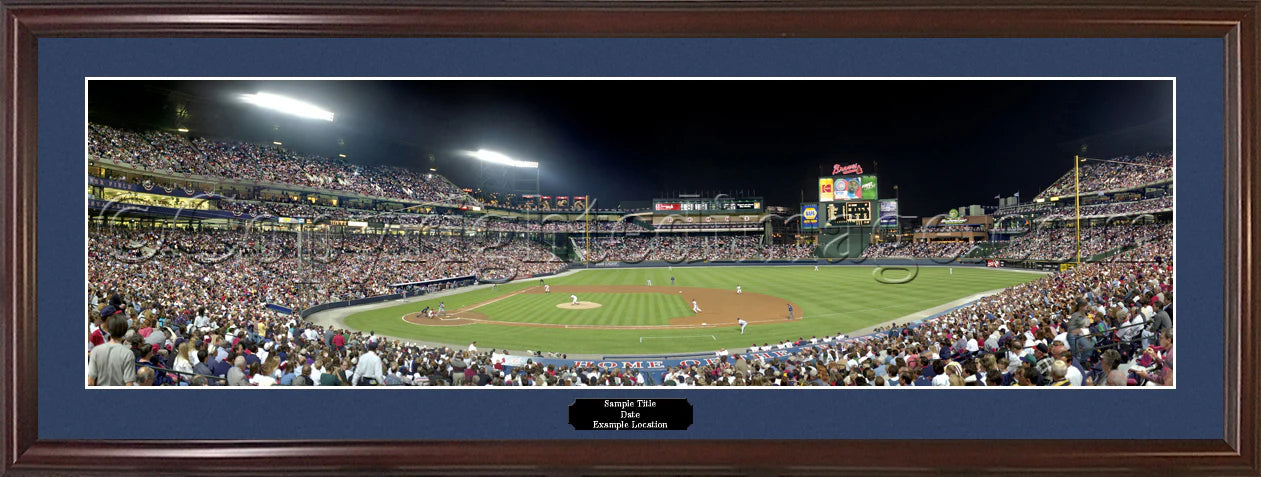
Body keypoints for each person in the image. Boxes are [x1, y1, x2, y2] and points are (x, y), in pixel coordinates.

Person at [87, 315, 136, 386]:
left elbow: (90, 382)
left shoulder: (96, 351)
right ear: (125, 331)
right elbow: (129, 384)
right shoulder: (128, 354)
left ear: (109, 329)